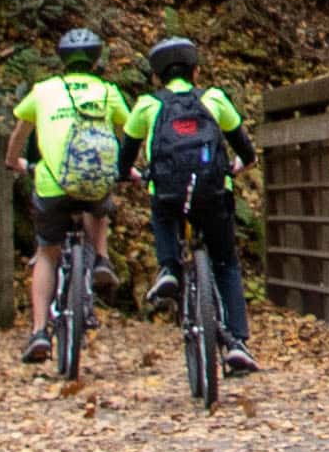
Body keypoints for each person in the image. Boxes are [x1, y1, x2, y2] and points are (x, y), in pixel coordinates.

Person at [14, 26, 135, 366]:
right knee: (99, 205)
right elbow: (128, 134)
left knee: (47, 252)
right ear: (96, 60)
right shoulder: (109, 92)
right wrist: (124, 169)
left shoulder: (43, 91)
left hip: (52, 187)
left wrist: (14, 162)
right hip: (95, 184)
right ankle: (100, 258)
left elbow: (19, 133)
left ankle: (39, 331)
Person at [135, 34, 256, 373]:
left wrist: (131, 174)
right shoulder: (214, 98)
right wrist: (241, 164)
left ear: (157, 77)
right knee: (226, 262)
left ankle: (170, 266)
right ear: (197, 72)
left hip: (169, 192)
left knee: (161, 211)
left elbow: (123, 158)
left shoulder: (148, 105)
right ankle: (237, 341)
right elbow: (244, 148)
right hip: (215, 191)